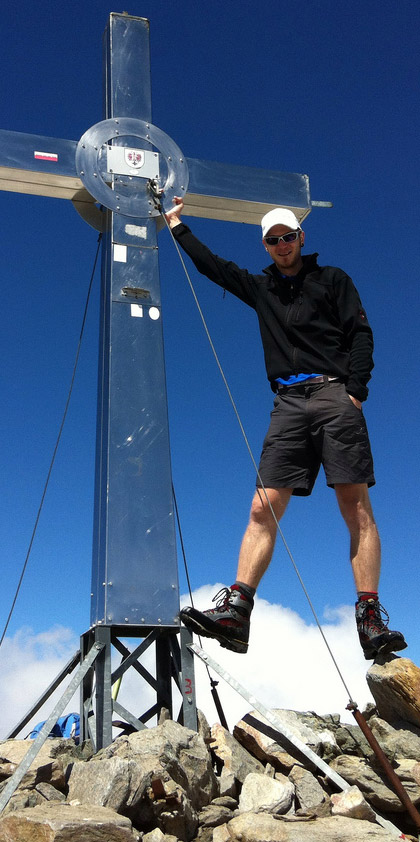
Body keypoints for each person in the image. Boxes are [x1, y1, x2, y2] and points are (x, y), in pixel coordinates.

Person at [166, 199, 407, 662]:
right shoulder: (262, 289)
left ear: (301, 238)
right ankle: (236, 614)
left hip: (334, 395)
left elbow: (361, 335)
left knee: (354, 503)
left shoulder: (332, 280)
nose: (281, 245)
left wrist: (355, 390)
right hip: (288, 403)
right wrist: (176, 224)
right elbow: (214, 268)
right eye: (273, 240)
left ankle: (370, 619)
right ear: (266, 244)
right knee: (263, 505)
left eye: (288, 237)